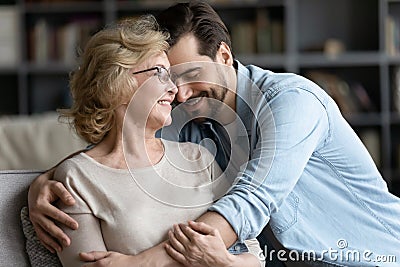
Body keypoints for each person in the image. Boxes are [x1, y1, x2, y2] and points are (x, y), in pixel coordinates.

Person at [28, 1, 400, 266]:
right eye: (171, 80)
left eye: (190, 75)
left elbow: (253, 199)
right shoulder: (197, 120)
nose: (181, 94)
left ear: (224, 55)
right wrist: (41, 181)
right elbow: (122, 143)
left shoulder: (292, 101)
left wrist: (141, 263)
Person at [49, 14, 263, 267]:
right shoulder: (77, 179)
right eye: (161, 73)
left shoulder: (198, 157)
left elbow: (254, 255)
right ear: (116, 83)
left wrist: (223, 262)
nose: (176, 90)